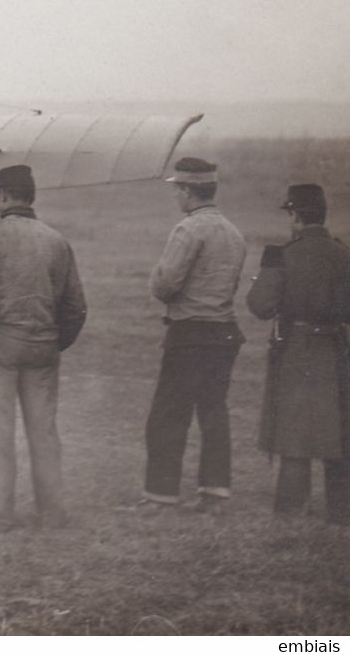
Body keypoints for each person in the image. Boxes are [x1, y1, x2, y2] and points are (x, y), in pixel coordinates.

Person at [0, 165, 87, 530]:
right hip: (44, 346)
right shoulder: (57, 241)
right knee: (44, 429)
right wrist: (55, 341)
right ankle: (53, 510)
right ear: (31, 196)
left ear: (2, 196)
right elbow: (76, 306)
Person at [138, 156, 247, 514]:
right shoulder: (233, 232)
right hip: (224, 332)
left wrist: (154, 276)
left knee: (168, 415)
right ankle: (216, 492)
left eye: (177, 190)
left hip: (189, 334)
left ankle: (161, 495)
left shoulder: (187, 230)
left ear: (187, 190)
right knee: (214, 412)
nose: (176, 197)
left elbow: (165, 285)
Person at [246, 183, 350, 526]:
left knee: (295, 432)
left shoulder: (282, 255)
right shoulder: (343, 253)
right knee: (340, 430)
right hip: (338, 349)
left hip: (298, 349)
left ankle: (291, 512)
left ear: (296, 216)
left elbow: (260, 306)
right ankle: (341, 512)